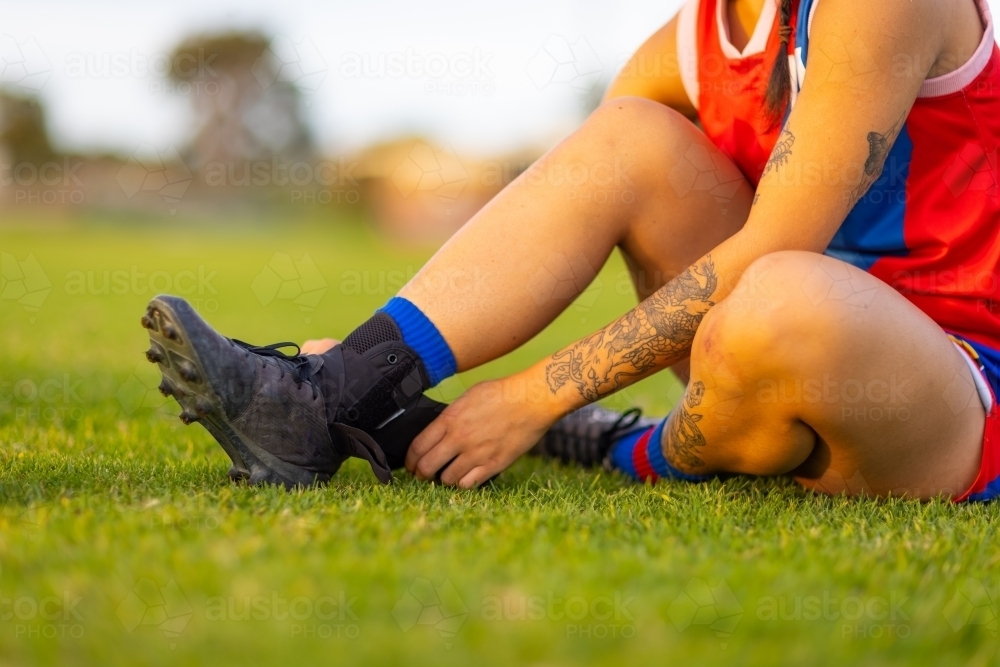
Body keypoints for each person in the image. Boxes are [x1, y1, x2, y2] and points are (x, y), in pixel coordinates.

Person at [143, 0, 999, 501]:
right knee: (628, 137)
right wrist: (376, 359)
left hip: (949, 384)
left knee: (780, 298)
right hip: (757, 343)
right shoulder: (702, 35)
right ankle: (333, 395)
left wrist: (535, 400)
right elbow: (575, 193)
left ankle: (608, 442)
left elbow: (778, 247)